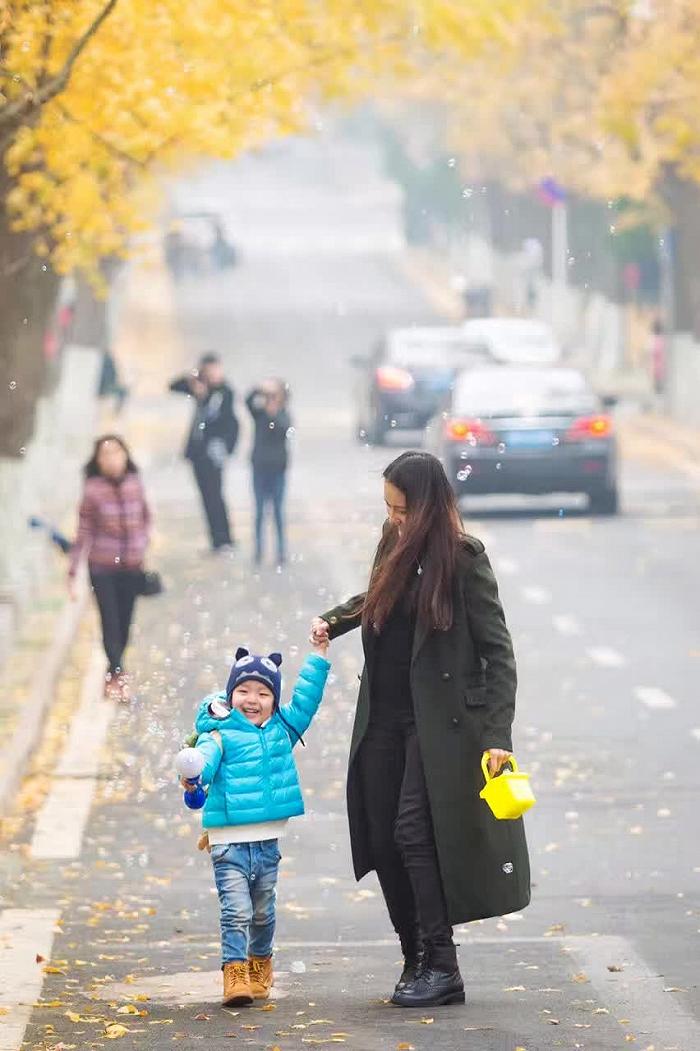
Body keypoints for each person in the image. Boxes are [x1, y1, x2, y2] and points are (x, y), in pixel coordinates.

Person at [310, 451, 530, 1008]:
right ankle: (415, 959)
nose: (394, 518)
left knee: (413, 831)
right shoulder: (393, 542)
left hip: (435, 725)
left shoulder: (463, 559)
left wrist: (497, 733)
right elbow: (379, 596)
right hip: (382, 714)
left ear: (428, 506)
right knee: (382, 835)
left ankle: (444, 963)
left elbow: (497, 653)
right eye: (388, 507)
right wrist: (335, 621)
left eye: (403, 509)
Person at [180, 638, 331, 1007]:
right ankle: (234, 974)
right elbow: (205, 757)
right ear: (230, 695)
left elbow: (308, 700)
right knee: (236, 911)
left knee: (263, 911)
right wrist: (194, 779)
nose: (252, 699)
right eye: (243, 690)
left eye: (263, 693)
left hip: (267, 841)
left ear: (274, 700)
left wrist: (319, 655)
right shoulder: (220, 733)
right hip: (226, 842)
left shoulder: (282, 729)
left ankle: (260, 962)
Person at [68, 435, 151, 700]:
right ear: (97, 460)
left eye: (116, 452)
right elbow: (83, 532)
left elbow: (145, 516)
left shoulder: (134, 483)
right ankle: (117, 676)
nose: (112, 458)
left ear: (125, 455)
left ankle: (113, 672)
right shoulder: (92, 490)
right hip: (102, 567)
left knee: (125, 623)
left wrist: (143, 545)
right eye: (105, 454)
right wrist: (72, 572)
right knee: (110, 622)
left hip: (131, 566)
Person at [169, 353, 239, 553]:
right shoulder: (198, 386)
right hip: (197, 453)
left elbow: (227, 420)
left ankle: (224, 538)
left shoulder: (224, 392)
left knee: (216, 496)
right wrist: (195, 378)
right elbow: (174, 385)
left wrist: (226, 450)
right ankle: (216, 539)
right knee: (206, 497)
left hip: (213, 454)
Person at [246, 380, 291, 567]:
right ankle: (258, 550)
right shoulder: (259, 414)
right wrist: (260, 389)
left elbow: (282, 430)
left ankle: (281, 551)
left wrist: (274, 413)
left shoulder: (284, 416)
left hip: (277, 470)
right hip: (260, 468)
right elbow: (248, 400)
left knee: (278, 513)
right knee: (259, 512)